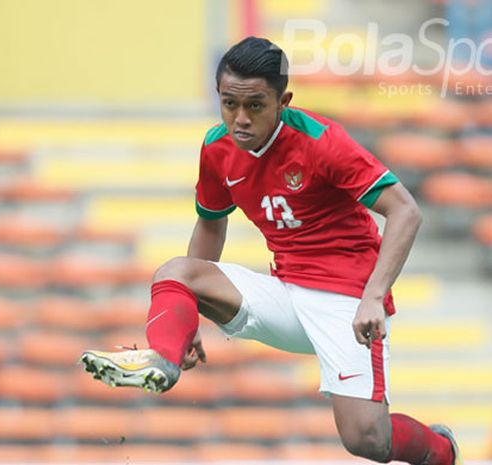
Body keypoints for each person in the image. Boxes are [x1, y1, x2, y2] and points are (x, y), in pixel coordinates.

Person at [80, 37, 461, 465]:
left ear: (284, 101)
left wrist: (374, 296)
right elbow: (210, 222)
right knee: (175, 273)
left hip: (348, 303)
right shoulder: (217, 147)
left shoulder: (322, 142)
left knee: (365, 440)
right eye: (228, 104)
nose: (239, 119)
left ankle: (442, 452)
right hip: (284, 294)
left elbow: (405, 211)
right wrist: (192, 322)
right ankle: (164, 358)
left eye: (255, 106)